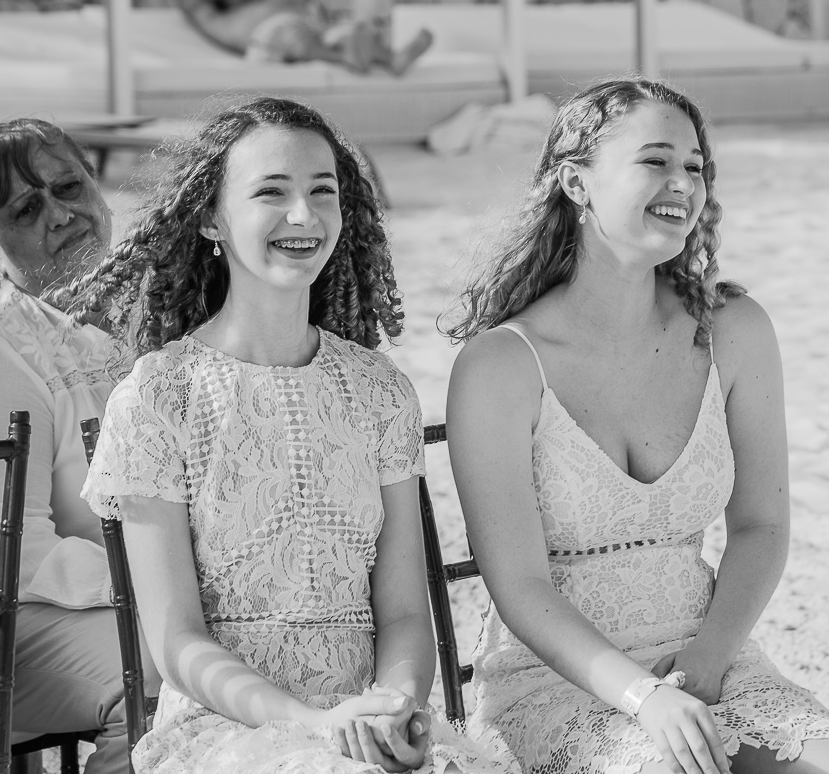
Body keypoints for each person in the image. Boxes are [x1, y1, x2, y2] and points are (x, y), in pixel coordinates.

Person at [444, 78, 829, 774]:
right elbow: (518, 583)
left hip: (710, 652)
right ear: (576, 183)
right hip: (559, 677)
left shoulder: (734, 331)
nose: (683, 182)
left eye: (694, 166)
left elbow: (761, 526)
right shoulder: (500, 365)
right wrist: (644, 695)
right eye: (655, 160)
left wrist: (708, 657)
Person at [74, 96, 513, 774]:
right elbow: (176, 642)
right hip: (224, 729)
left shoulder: (380, 389)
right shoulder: (159, 396)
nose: (304, 215)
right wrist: (315, 725)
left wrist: (391, 707)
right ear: (211, 218)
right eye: (271, 192)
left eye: (322, 191)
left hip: (367, 720)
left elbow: (403, 612)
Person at [0, 118, 141, 774]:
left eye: (69, 187)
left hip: (152, 592)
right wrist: (162, 584)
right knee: (164, 675)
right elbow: (8, 544)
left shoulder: (154, 305)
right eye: (26, 209)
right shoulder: (2, 344)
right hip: (33, 615)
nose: (59, 214)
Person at [178, 0, 433, 75]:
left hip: (311, 28)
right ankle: (346, 55)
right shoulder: (221, 19)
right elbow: (190, 0)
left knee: (340, 32)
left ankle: (390, 57)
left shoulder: (273, 0)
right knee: (294, 36)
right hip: (271, 38)